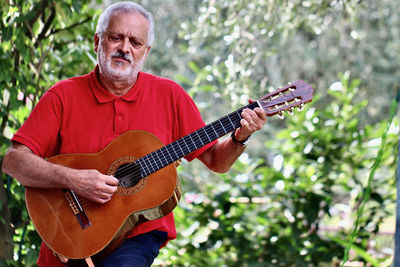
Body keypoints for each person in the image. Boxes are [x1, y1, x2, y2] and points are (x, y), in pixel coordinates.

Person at [2, 1, 267, 266]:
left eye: (135, 42)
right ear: (97, 42)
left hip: (137, 236)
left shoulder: (170, 96)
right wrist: (74, 180)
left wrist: (240, 137)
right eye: (115, 38)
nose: (124, 48)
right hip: (70, 233)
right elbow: (14, 161)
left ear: (146, 51)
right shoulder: (63, 96)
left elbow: (216, 161)